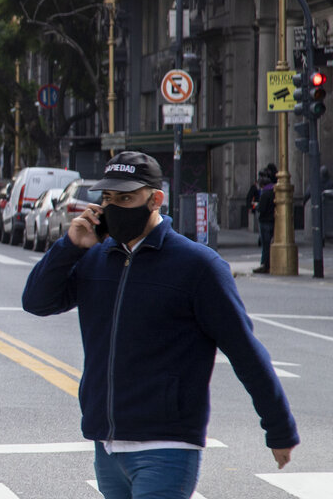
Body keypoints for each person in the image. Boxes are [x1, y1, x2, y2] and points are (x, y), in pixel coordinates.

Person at [22, 151, 299, 499]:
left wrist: (279, 428)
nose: (114, 207)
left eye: (126, 198)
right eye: (108, 198)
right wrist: (69, 247)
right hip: (106, 445)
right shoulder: (96, 258)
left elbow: (245, 350)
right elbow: (36, 302)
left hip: (167, 445)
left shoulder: (197, 266)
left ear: (155, 200)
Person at [253, 172, 275, 274]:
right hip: (272, 221)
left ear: (262, 185)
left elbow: (262, 208)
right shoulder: (274, 191)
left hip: (265, 221)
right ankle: (269, 264)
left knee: (265, 245)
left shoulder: (265, 194)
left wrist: (256, 206)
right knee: (270, 244)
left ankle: (264, 265)